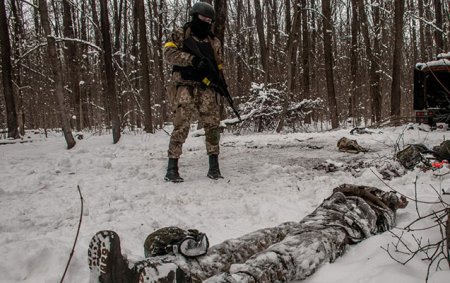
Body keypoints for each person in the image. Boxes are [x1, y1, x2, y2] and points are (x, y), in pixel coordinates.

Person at [87, 184, 408, 283]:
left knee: (284, 258)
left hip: (339, 230)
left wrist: (389, 200)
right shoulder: (357, 189)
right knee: (243, 245)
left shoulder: (384, 209)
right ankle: (165, 272)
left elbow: (395, 201)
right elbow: (346, 188)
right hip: (314, 219)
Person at [163, 2, 226, 183]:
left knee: (212, 125)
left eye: (209, 19)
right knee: (181, 126)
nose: (207, 22)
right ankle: (172, 168)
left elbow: (218, 65)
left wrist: (220, 82)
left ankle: (214, 167)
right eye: (204, 18)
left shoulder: (213, 41)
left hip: (205, 87)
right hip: (184, 86)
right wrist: (191, 60)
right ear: (195, 16)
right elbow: (168, 54)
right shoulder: (180, 34)